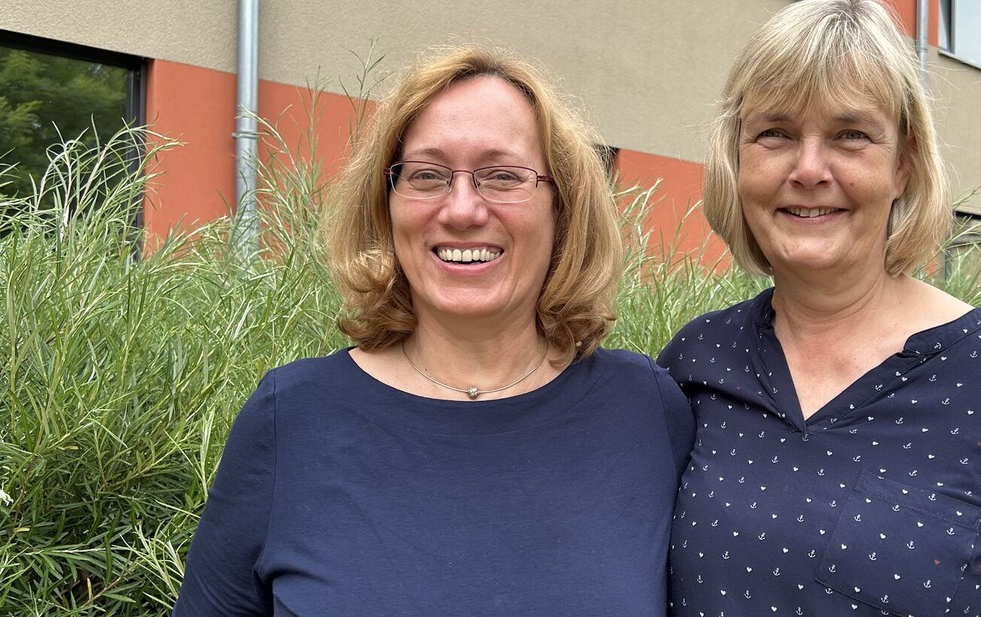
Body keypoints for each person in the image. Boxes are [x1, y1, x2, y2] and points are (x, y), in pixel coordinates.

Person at [658, 2, 981, 615]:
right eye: (775, 133)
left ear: (903, 165)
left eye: (851, 135)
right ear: (737, 157)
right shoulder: (697, 361)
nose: (808, 169)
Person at [174, 46, 694, 615]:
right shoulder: (290, 418)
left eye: (502, 175)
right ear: (386, 206)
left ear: (562, 209)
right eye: (427, 175)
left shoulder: (645, 409)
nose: (462, 210)